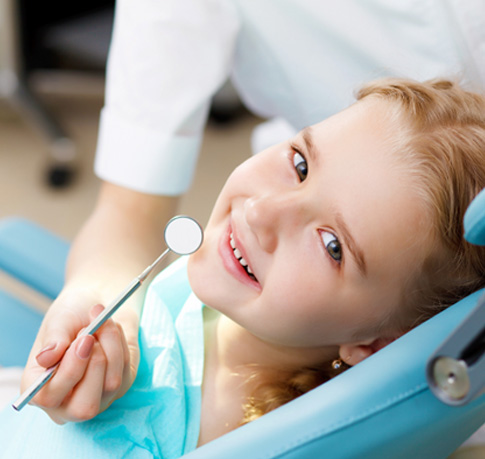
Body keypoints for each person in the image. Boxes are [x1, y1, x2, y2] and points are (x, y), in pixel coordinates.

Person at [16, 0, 485, 427]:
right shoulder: (220, 294)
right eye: (299, 164)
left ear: (375, 346)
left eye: (332, 245)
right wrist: (94, 298)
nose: (261, 212)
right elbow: (126, 215)